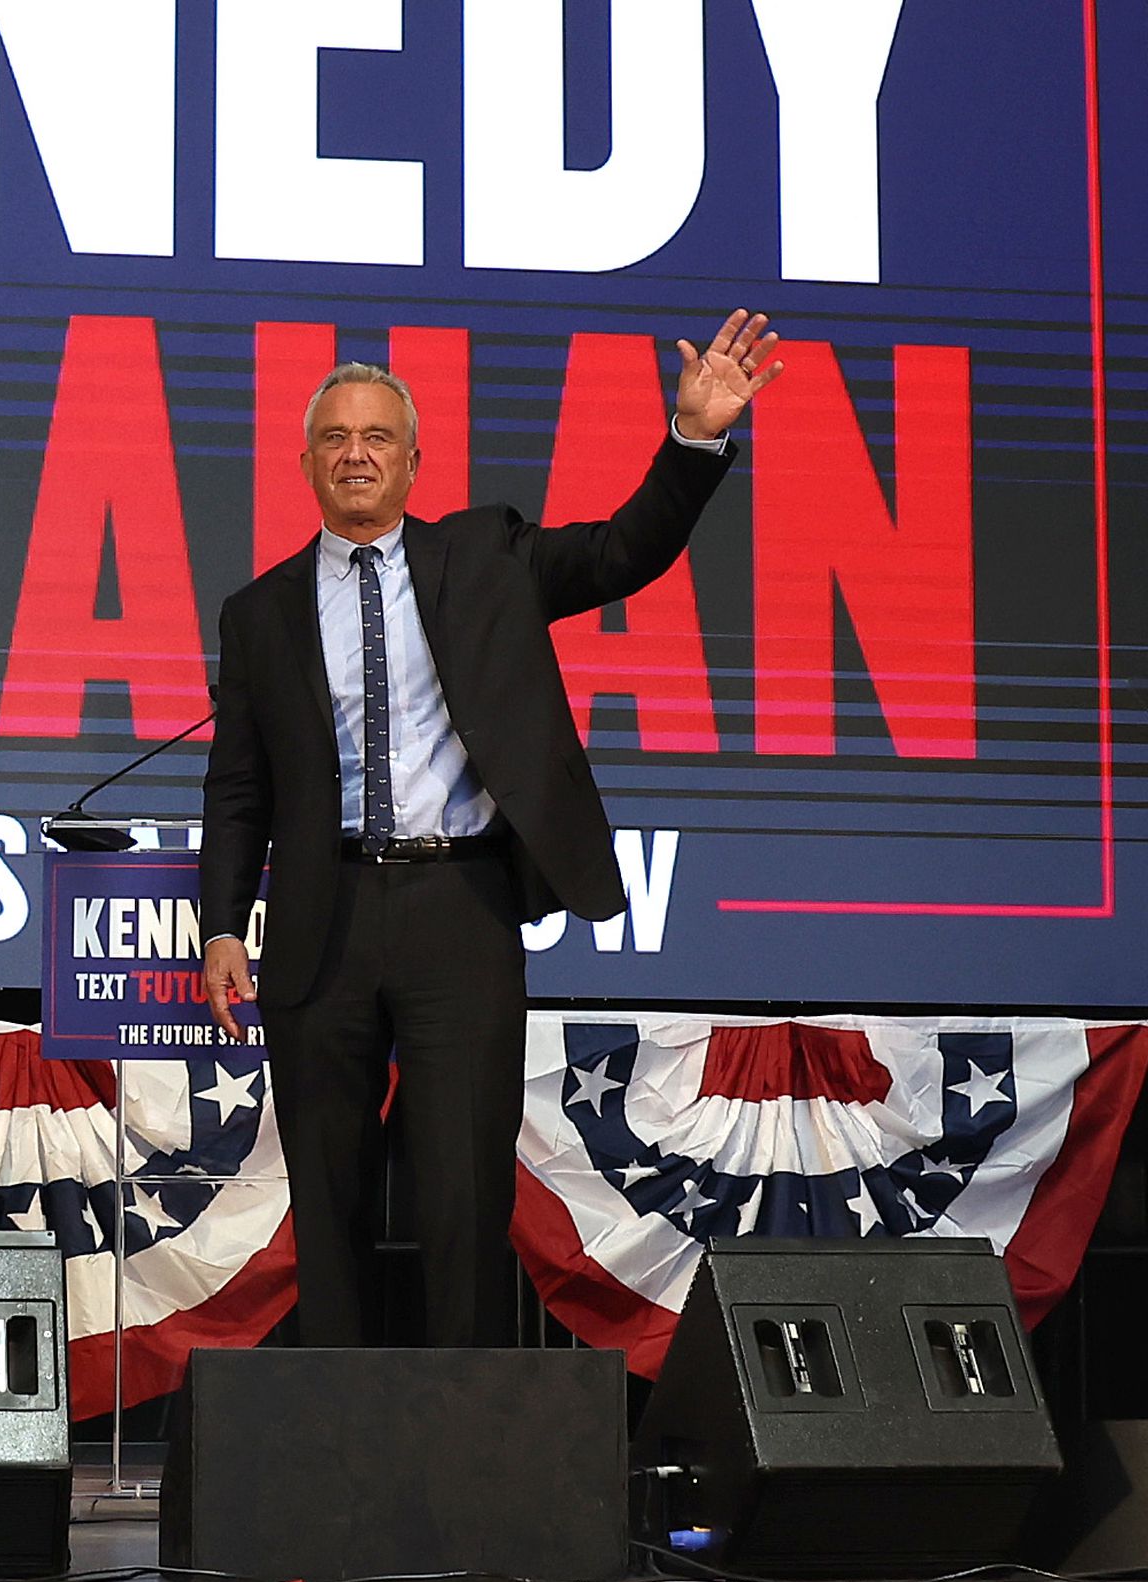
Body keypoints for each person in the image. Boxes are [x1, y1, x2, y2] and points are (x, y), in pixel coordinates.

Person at [198, 310, 782, 1349]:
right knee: (325, 1205)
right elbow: (238, 787)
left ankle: (461, 1440)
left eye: (378, 437)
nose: (356, 454)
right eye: (335, 439)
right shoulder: (260, 613)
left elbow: (621, 552)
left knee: (463, 1195)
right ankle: (339, 1448)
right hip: (319, 916)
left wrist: (694, 440)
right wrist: (221, 926)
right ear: (305, 464)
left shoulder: (487, 553)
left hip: (457, 908)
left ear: (415, 460)